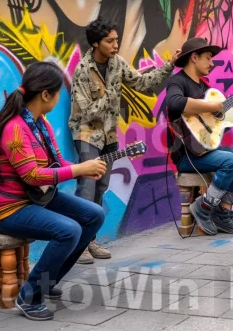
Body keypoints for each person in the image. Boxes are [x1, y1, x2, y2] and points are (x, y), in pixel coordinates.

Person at [0, 61, 108, 321]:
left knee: (94, 215)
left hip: (36, 197)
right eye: (57, 95)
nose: (57, 99)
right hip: (9, 208)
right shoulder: (15, 129)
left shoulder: (41, 124)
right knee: (69, 230)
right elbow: (31, 174)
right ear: (45, 95)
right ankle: (30, 296)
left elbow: (56, 163)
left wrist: (83, 168)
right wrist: (78, 170)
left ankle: (47, 280)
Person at [69, 17, 179, 263]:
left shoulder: (117, 63)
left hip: (108, 134)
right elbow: (87, 112)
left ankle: (90, 240)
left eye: (117, 40)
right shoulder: (83, 71)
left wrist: (170, 64)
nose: (116, 45)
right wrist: (111, 93)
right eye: (110, 41)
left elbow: (141, 83)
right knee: (86, 189)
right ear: (96, 44)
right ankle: (77, 246)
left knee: (100, 188)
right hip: (87, 134)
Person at [165, 37, 233, 235]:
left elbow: (219, 121)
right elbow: (174, 103)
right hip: (187, 156)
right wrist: (213, 106)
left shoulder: (205, 88)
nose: (212, 63)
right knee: (232, 161)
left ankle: (223, 213)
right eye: (208, 58)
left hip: (205, 149)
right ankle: (205, 207)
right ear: (194, 57)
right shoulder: (178, 81)